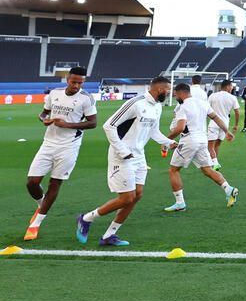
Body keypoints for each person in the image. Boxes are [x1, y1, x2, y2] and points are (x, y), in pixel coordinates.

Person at [75, 76, 177, 247]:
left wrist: (168, 142)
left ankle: (109, 236)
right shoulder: (135, 103)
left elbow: (154, 131)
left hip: (139, 156)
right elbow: (109, 125)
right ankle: (85, 219)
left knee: (136, 196)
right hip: (121, 155)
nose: (169, 93)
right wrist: (122, 150)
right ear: (160, 89)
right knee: (126, 198)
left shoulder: (157, 107)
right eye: (168, 90)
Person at [24, 67, 97, 241]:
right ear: (67, 79)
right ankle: (42, 205)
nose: (77, 85)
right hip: (48, 143)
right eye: (74, 82)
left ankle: (35, 224)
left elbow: (93, 123)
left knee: (54, 184)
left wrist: (68, 125)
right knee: (31, 183)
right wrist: (45, 120)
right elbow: (42, 114)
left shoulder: (86, 98)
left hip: (69, 146)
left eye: (80, 82)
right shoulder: (54, 93)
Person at [163, 83, 239, 211]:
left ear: (181, 93)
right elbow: (216, 118)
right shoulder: (202, 103)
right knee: (207, 169)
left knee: (173, 170)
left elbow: (180, 128)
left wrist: (166, 141)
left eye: (175, 95)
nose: (175, 98)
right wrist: (226, 131)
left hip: (189, 141)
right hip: (202, 140)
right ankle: (229, 189)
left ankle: (180, 203)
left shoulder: (183, 107)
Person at [207, 79, 240, 170]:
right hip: (225, 124)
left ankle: (214, 163)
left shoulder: (213, 96)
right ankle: (213, 163)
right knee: (217, 145)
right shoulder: (233, 97)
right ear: (227, 86)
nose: (232, 87)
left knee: (210, 146)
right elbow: (237, 112)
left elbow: (206, 110)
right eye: (231, 86)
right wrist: (236, 125)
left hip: (214, 123)